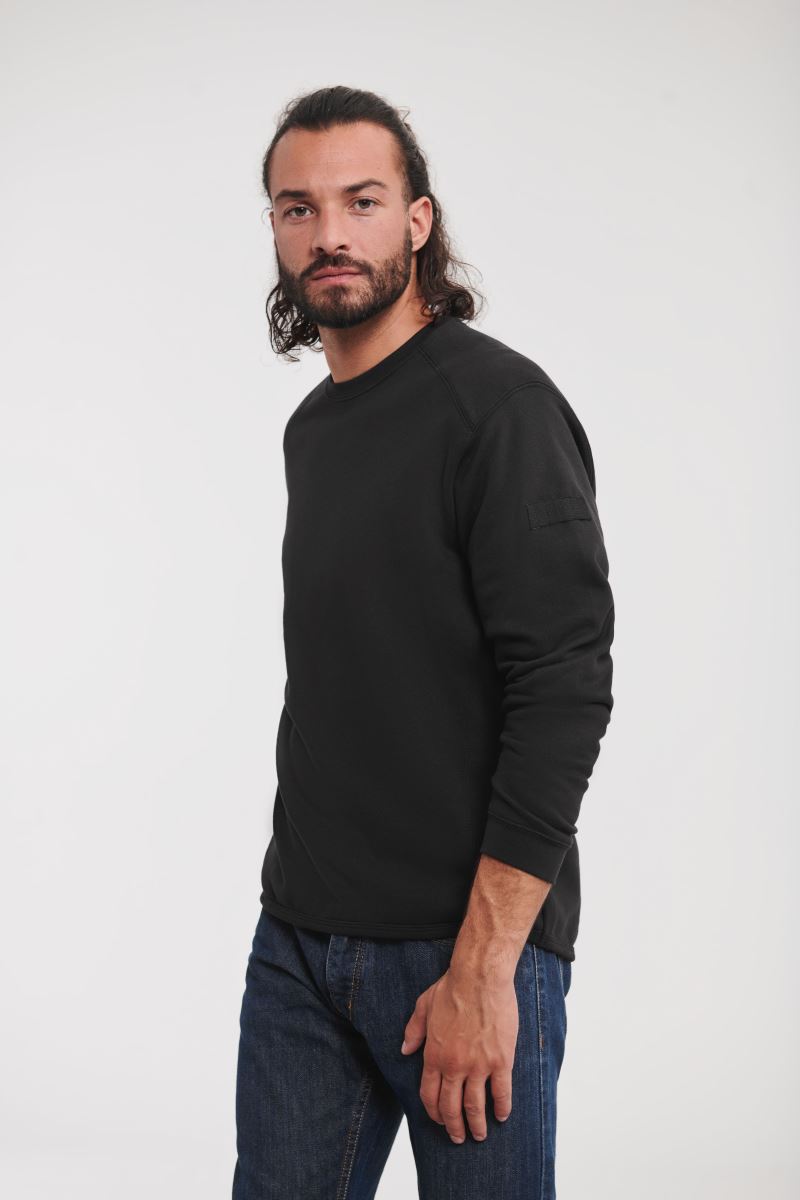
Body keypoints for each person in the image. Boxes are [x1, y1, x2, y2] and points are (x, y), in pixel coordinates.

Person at [232, 85, 615, 1200]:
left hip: (460, 950)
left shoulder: (497, 410)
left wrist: (485, 968)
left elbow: (563, 689)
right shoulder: (313, 429)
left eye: (361, 201)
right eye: (297, 208)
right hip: (299, 944)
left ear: (417, 220)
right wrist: (290, 912)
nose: (329, 233)